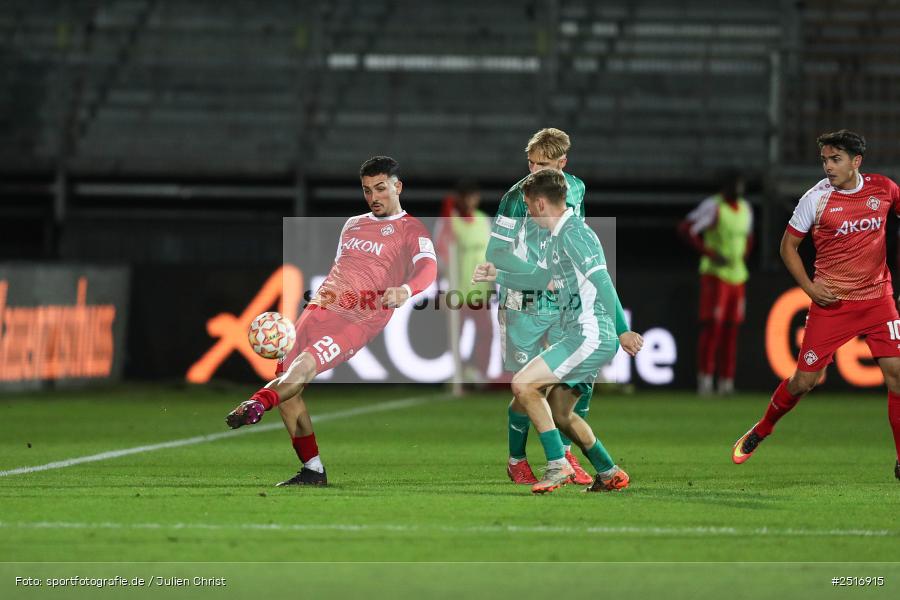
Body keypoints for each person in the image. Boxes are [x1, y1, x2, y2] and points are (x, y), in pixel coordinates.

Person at [225, 156, 437, 486]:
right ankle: (313, 470)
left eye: (381, 189)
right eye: (367, 191)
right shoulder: (352, 224)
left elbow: (428, 269)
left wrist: (407, 289)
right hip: (321, 309)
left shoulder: (412, 230)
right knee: (287, 385)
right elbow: (343, 268)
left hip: (359, 319)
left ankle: (256, 402)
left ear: (398, 187)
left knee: (303, 368)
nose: (373, 197)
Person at [731, 130, 900, 482]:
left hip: (877, 299)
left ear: (856, 162)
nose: (828, 166)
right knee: (804, 381)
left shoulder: (884, 189)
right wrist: (810, 288)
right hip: (832, 304)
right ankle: (763, 428)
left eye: (835, 159)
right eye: (824, 159)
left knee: (897, 376)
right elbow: (787, 248)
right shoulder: (816, 199)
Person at [474, 168, 643, 494]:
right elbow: (542, 281)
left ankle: (557, 464)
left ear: (538, 203)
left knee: (523, 384)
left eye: (527, 205)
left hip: (589, 334)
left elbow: (603, 281)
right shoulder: (557, 237)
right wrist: (497, 275)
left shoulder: (574, 234)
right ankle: (609, 472)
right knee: (563, 413)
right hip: (580, 334)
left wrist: (623, 330)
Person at [484, 127, 595, 486]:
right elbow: (495, 254)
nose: (534, 172)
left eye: (543, 165)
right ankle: (517, 459)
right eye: (531, 163)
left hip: (565, 301)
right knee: (527, 386)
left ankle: (565, 456)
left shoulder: (576, 189)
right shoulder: (516, 198)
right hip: (525, 303)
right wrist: (538, 274)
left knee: (565, 383)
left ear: (563, 163)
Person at [678, 170, 753, 395]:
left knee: (732, 329)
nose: (739, 190)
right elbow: (687, 229)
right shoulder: (714, 206)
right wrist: (710, 253)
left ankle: (726, 382)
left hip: (738, 275)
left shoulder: (746, 209)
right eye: (735, 185)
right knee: (713, 328)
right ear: (726, 187)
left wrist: (744, 255)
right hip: (715, 275)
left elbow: (749, 237)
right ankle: (705, 380)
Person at [433, 179, 493, 383]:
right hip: (457, 290)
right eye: (466, 197)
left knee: (486, 333)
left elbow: (491, 254)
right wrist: (440, 290)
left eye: (473, 196)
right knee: (455, 337)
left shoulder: (483, 220)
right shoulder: (450, 222)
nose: (470, 201)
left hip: (480, 289)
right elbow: (440, 256)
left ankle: (478, 374)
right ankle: (458, 373)